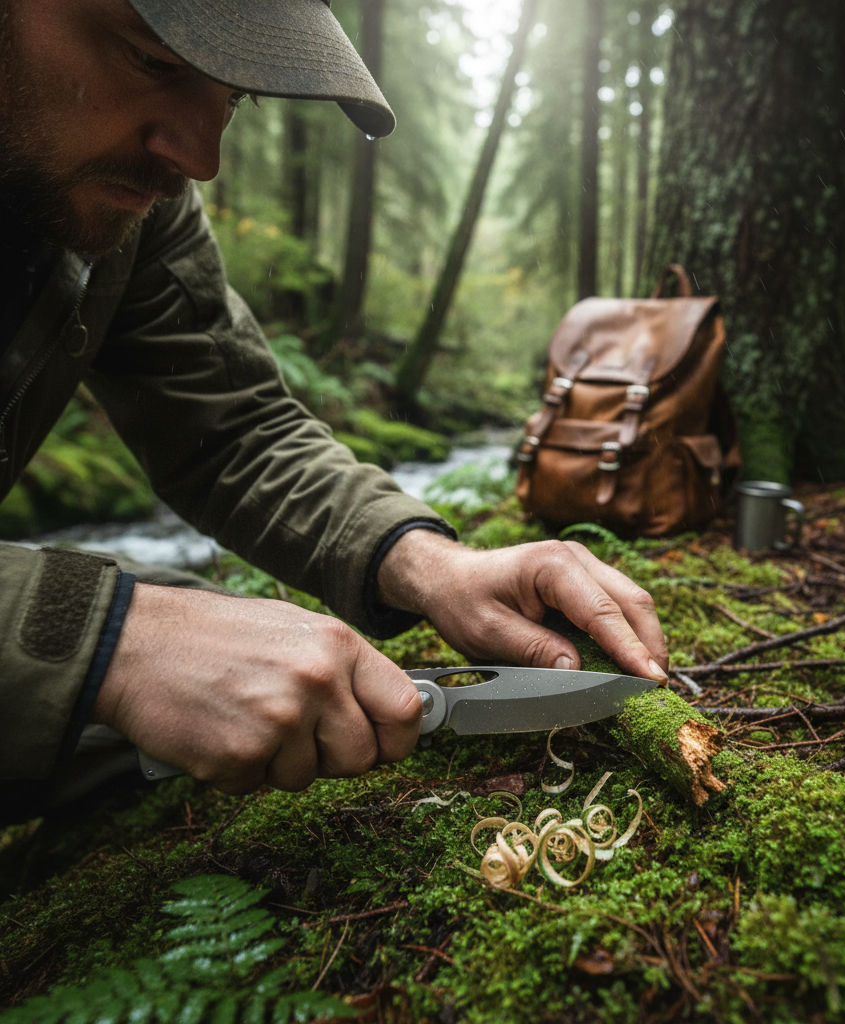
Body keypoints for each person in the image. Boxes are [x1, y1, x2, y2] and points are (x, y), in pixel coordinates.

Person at [0, 0, 668, 817]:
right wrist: (107, 640)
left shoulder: (127, 196)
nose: (202, 159)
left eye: (234, 97)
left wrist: (427, 564)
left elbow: (233, 432)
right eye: (155, 62)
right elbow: (105, 637)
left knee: (257, 668)